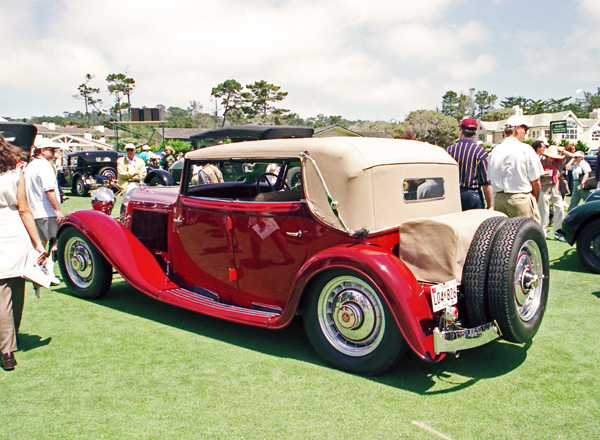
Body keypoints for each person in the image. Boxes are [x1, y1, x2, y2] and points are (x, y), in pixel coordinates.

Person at [0, 136, 46, 370]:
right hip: (15, 233)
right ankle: (11, 340)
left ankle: (7, 349)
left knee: (2, 295)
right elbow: (24, 210)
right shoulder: (16, 173)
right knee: (16, 290)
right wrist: (38, 243)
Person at [488, 114, 543, 222]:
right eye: (525, 129)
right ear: (517, 128)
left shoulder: (495, 151)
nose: (526, 132)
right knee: (526, 235)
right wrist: (534, 200)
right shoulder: (525, 149)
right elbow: (535, 181)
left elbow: (490, 178)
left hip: (499, 199)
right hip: (520, 199)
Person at [24, 139, 63, 285]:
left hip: (34, 211)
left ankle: (36, 272)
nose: (54, 152)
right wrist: (57, 210)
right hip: (46, 211)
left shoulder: (30, 166)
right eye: (51, 150)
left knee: (39, 244)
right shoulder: (44, 166)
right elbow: (49, 190)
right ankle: (49, 273)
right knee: (54, 244)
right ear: (42, 150)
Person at [447, 118, 492, 210]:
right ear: (475, 133)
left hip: (454, 194)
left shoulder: (450, 151)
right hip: (473, 196)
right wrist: (490, 204)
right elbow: (486, 182)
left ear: (461, 132)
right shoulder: (480, 152)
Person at [539, 145, 570, 240]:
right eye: (551, 156)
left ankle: (558, 231)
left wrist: (562, 150)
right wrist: (542, 174)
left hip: (555, 188)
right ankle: (543, 232)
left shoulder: (558, 163)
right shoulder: (540, 163)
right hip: (543, 188)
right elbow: (534, 174)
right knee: (544, 211)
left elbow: (570, 157)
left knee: (560, 209)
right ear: (547, 155)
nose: (552, 158)